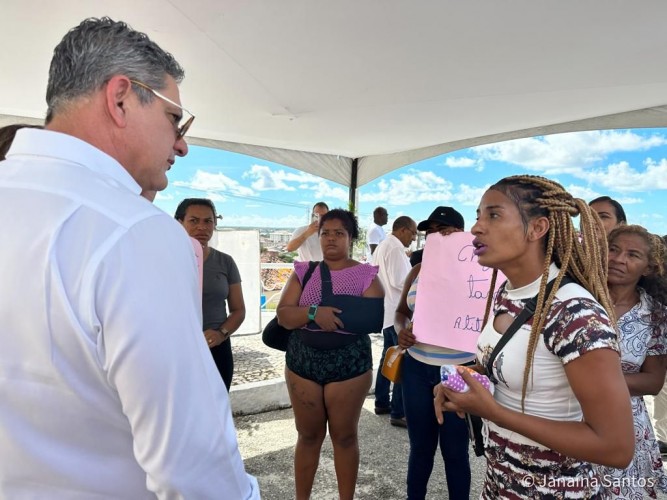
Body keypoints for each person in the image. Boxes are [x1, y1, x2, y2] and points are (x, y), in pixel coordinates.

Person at [0, 17, 258, 499]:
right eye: (174, 119)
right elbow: (193, 469)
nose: (180, 143)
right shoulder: (135, 231)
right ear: (120, 98)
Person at [434, 175, 634, 499]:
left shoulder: (576, 315)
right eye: (478, 215)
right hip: (501, 484)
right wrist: (468, 379)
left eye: (493, 215)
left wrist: (494, 413)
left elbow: (616, 447)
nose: (476, 228)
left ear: (537, 228)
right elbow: (513, 365)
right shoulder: (509, 293)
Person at [276, 208, 384, 500]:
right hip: (303, 363)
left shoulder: (367, 275)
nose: (331, 239)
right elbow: (284, 315)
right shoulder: (304, 271)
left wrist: (307, 314)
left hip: (349, 365)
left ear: (351, 238)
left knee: (345, 437)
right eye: (326, 233)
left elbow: (372, 320)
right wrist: (313, 312)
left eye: (339, 233)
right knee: (308, 436)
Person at [395, 206, 471, 499]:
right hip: (416, 368)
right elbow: (401, 311)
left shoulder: (478, 273)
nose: (435, 237)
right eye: (431, 232)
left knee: (455, 451)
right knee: (420, 449)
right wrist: (402, 330)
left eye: (444, 231)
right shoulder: (418, 270)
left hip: (457, 371)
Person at [594, 225, 667, 498]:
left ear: (648, 268)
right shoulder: (578, 298)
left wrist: (590, 382)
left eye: (633, 255)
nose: (619, 259)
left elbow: (653, 381)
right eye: (613, 249)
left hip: (623, 423)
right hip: (566, 416)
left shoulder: (655, 315)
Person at [175, 198, 245, 390]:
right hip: (176, 347)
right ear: (179, 222)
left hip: (216, 348)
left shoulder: (225, 262)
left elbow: (239, 310)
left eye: (208, 221)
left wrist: (221, 334)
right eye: (194, 220)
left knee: (217, 409)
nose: (202, 227)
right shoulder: (167, 259)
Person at [373, 216, 417, 426]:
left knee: (388, 358)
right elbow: (401, 282)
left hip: (386, 311)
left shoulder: (383, 246)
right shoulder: (396, 248)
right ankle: (398, 412)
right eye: (413, 232)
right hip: (397, 312)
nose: (414, 237)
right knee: (402, 362)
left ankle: (382, 401)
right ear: (402, 230)